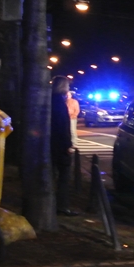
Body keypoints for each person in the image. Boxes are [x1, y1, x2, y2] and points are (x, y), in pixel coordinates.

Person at [50, 77, 77, 216]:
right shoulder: (59, 103)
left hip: (51, 144)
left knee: (52, 174)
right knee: (64, 175)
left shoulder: (50, 100)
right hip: (59, 145)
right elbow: (62, 126)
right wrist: (68, 145)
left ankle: (54, 204)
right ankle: (62, 206)